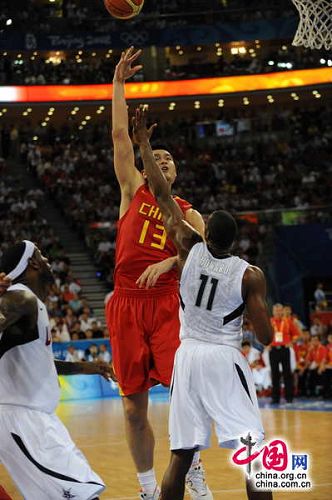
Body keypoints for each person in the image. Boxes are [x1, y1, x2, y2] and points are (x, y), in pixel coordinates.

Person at [132, 106, 273, 500]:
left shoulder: (188, 248)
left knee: (180, 456)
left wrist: (143, 143)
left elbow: (161, 194)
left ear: (205, 231)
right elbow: (266, 336)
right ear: (236, 241)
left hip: (187, 355)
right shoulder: (250, 275)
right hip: (223, 358)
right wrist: (247, 314)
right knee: (253, 454)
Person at [106, 47, 209, 499]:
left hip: (168, 302)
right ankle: (148, 487)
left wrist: (172, 259)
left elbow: (202, 258)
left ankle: (193, 472)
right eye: (157, 156)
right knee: (133, 408)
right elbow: (118, 136)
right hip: (126, 301)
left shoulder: (190, 214)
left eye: (169, 159)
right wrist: (118, 84)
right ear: (147, 165)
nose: (162, 161)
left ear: (176, 171)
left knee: (184, 400)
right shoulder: (131, 190)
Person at [0, 241, 114, 499]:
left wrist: (91, 367)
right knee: (85, 493)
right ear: (33, 263)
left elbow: (40, 363)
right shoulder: (21, 297)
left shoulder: (29, 303)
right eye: (41, 254)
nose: (48, 260)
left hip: (31, 420)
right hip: (25, 422)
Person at [269, 303, 301, 404]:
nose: (278, 312)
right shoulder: (269, 322)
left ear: (282, 311)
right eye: (276, 310)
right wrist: (266, 344)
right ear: (273, 311)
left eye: (280, 310)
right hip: (273, 350)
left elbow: (296, 335)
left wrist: (291, 342)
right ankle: (275, 398)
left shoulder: (288, 321)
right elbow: (264, 334)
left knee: (287, 374)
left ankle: (289, 397)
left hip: (284, 349)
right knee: (275, 374)